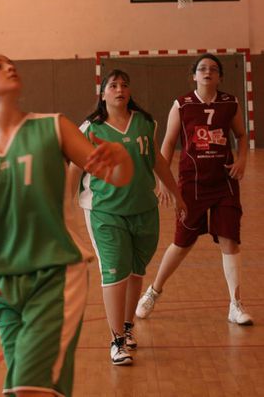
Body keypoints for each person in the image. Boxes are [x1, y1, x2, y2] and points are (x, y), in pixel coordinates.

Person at [0, 54, 134, 397]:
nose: (9, 67)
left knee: (28, 388)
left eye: (9, 63)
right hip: (3, 284)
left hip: (56, 272)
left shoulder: (53, 126)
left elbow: (116, 176)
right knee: (35, 388)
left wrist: (122, 158)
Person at [70, 70, 185, 366]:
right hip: (105, 212)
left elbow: (156, 160)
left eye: (124, 85)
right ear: (103, 94)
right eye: (113, 85)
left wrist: (175, 192)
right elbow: (73, 169)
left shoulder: (145, 123)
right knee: (114, 272)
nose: (119, 89)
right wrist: (64, 211)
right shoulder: (90, 129)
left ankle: (129, 327)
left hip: (144, 209)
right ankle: (116, 339)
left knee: (136, 271)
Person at [136, 53, 253, 326]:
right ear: (194, 75)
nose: (207, 72)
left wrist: (243, 158)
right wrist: (165, 182)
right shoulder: (182, 105)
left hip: (224, 183)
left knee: (230, 240)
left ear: (220, 76)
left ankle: (235, 304)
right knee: (181, 243)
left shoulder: (230, 103)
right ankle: (153, 291)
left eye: (213, 69)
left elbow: (242, 136)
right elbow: (167, 143)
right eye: (202, 69)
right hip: (192, 184)